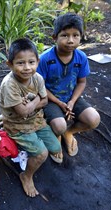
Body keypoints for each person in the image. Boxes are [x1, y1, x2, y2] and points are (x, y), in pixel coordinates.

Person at [0, 38, 62, 197]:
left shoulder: (38, 78)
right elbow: (22, 112)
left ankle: (29, 150)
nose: (27, 67)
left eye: (31, 62)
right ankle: (26, 176)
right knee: (42, 154)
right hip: (17, 126)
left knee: (55, 148)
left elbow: (45, 100)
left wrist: (32, 104)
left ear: (37, 62)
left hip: (37, 121)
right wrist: (37, 102)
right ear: (10, 64)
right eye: (20, 63)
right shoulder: (9, 84)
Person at [37, 13, 100, 157]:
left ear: (81, 36)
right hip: (50, 99)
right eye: (65, 35)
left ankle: (69, 132)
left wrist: (71, 101)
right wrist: (59, 103)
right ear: (54, 37)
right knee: (59, 126)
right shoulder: (45, 59)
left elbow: (81, 82)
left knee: (93, 120)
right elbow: (40, 88)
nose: (71, 40)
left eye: (75, 35)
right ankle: (57, 134)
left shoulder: (81, 57)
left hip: (71, 97)